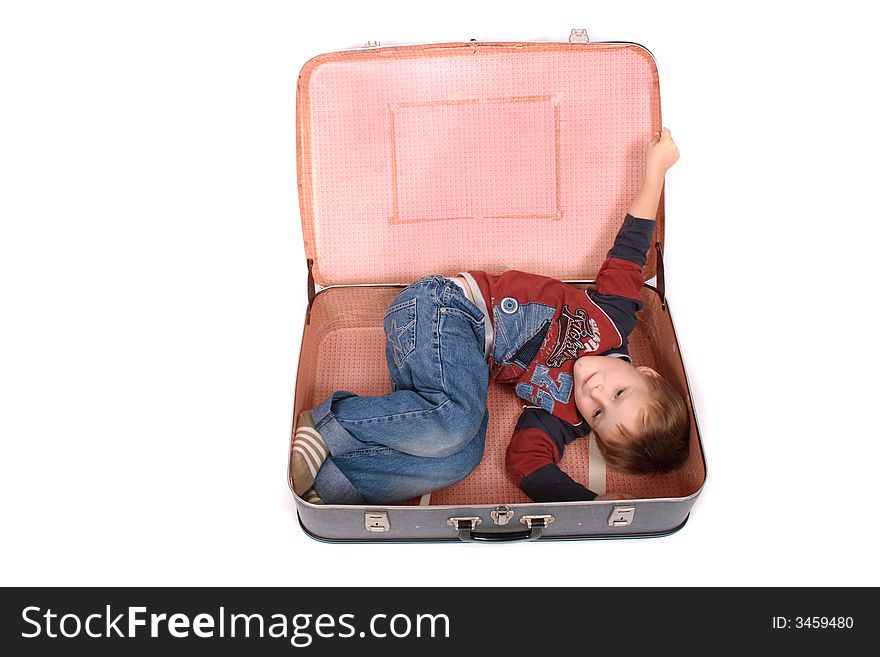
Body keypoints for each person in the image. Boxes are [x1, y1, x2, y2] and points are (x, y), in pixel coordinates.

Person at [292, 128, 688, 505]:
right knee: (458, 422)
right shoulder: (614, 319)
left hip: (444, 362)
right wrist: (656, 172)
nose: (596, 392)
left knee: (461, 458)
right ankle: (332, 423)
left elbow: (527, 461)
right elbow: (631, 252)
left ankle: (335, 483)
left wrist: (584, 503)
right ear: (648, 374)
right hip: (446, 308)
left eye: (599, 414)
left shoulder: (563, 416)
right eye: (620, 393)